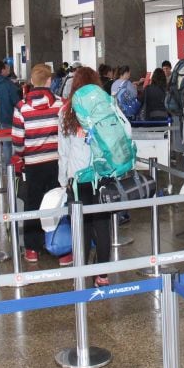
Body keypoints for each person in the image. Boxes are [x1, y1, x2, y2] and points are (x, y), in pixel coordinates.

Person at [58, 67, 125, 287]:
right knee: (102, 224)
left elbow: (63, 150)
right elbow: (125, 131)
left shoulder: (67, 110)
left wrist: (62, 179)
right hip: (103, 172)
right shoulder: (107, 104)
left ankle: (82, 272)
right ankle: (102, 275)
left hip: (79, 177)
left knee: (82, 225)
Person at [12, 64, 69, 266]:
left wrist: (25, 154)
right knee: (57, 203)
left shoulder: (21, 107)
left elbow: (18, 142)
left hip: (33, 164)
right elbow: (66, 134)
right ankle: (61, 250)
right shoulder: (60, 104)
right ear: (49, 81)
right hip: (56, 163)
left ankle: (32, 249)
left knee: (32, 204)